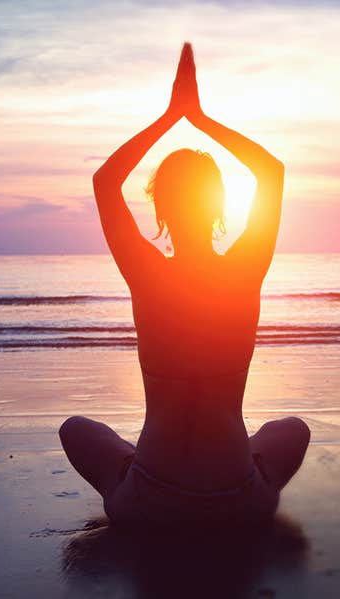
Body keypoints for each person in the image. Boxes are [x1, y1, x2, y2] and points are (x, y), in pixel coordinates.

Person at [59, 43, 309, 526]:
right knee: (291, 429)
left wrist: (170, 116)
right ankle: (239, 468)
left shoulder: (146, 273)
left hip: (150, 503)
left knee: (76, 428)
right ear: (219, 208)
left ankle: (135, 467)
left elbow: (105, 181)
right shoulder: (245, 268)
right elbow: (271, 173)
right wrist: (200, 117)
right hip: (239, 501)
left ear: (160, 209)